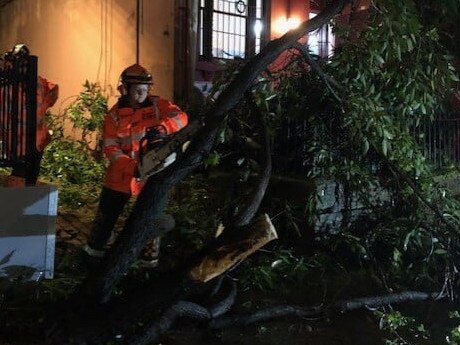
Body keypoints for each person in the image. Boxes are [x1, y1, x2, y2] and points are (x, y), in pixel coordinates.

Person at [84, 64, 188, 267]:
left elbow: (182, 118)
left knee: (151, 217)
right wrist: (131, 167)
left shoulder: (160, 106)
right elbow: (111, 149)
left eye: (146, 89)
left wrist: (163, 127)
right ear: (125, 88)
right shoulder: (113, 116)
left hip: (154, 173)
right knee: (107, 215)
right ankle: (92, 254)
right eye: (138, 89)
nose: (143, 93)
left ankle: (148, 262)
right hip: (122, 174)